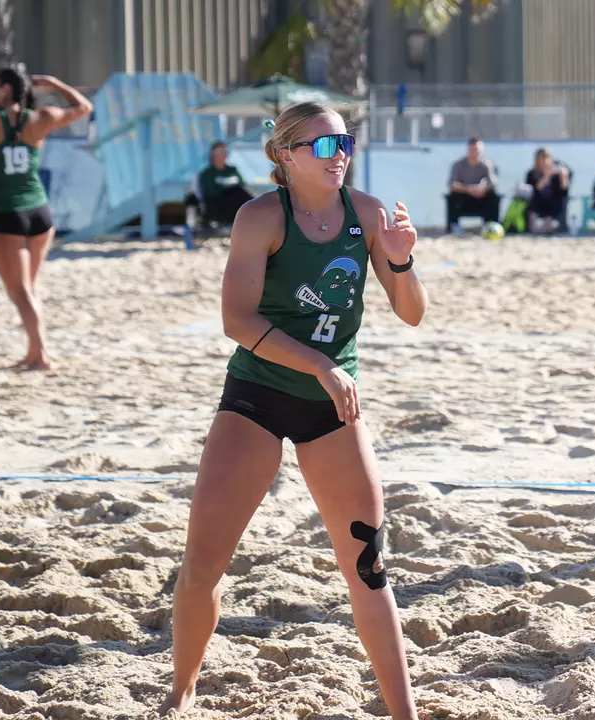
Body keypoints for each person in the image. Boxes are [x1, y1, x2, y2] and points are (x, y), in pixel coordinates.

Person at [159, 102, 429, 720]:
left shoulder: (366, 213)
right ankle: (181, 693)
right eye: (324, 145)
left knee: (368, 567)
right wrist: (319, 363)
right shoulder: (260, 216)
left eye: (346, 143)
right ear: (286, 155)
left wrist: (402, 257)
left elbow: (411, 313)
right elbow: (236, 320)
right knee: (203, 563)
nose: (340, 156)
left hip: (333, 407)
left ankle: (403, 713)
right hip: (257, 398)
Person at [0, 67, 91, 371]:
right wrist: (55, 84)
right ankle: (34, 351)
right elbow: (84, 107)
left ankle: (40, 353)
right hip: (40, 213)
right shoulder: (38, 118)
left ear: (5, 89)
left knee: (19, 291)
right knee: (28, 289)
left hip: (8, 214)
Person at [186, 140, 254, 229]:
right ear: (213, 154)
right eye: (220, 151)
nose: (223, 154)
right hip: (218, 207)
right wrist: (228, 189)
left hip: (235, 205)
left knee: (243, 195)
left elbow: (242, 185)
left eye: (225, 151)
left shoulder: (232, 170)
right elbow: (210, 193)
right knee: (238, 193)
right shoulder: (207, 173)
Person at [446, 136, 500, 232]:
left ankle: (490, 225)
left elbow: (493, 183)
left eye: (477, 150)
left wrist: (483, 188)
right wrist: (469, 189)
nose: (475, 153)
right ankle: (454, 226)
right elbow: (452, 184)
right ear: (468, 150)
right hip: (463, 199)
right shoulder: (458, 165)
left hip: (481, 198)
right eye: (472, 150)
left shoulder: (486, 165)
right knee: (452, 196)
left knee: (493, 196)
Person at [523, 146, 570, 234]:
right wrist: (547, 176)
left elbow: (564, 191)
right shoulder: (531, 174)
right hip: (538, 207)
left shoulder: (557, 174)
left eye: (547, 157)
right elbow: (535, 190)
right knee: (533, 228)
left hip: (553, 207)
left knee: (549, 225)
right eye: (543, 157)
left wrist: (564, 177)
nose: (545, 160)